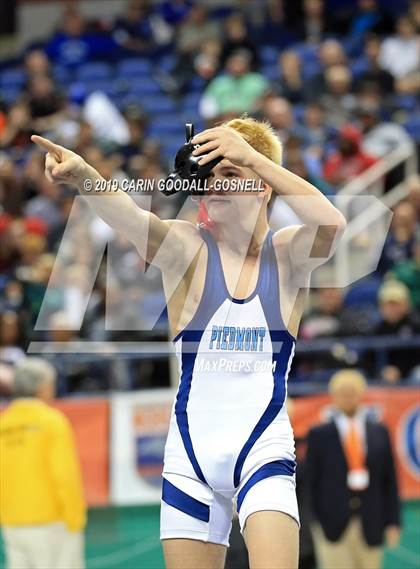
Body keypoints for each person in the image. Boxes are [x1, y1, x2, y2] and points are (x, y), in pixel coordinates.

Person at [32, 115, 346, 569]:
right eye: (210, 175)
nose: (216, 185)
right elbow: (131, 217)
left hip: (263, 447)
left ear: (262, 187)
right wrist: (84, 175)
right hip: (189, 456)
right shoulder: (187, 247)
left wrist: (252, 156)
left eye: (231, 174)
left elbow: (333, 225)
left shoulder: (288, 254)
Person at [306, 370, 401, 569]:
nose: (348, 397)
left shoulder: (379, 431)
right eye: (343, 392)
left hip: (371, 522)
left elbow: (390, 480)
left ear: (361, 393)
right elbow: (310, 483)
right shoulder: (319, 434)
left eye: (352, 391)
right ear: (333, 395)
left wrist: (393, 521)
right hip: (332, 525)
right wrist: (316, 523)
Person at [0, 357, 86, 569]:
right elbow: (64, 475)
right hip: (52, 522)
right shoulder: (52, 421)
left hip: (12, 523)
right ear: (42, 387)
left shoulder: (4, 423)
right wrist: (75, 519)